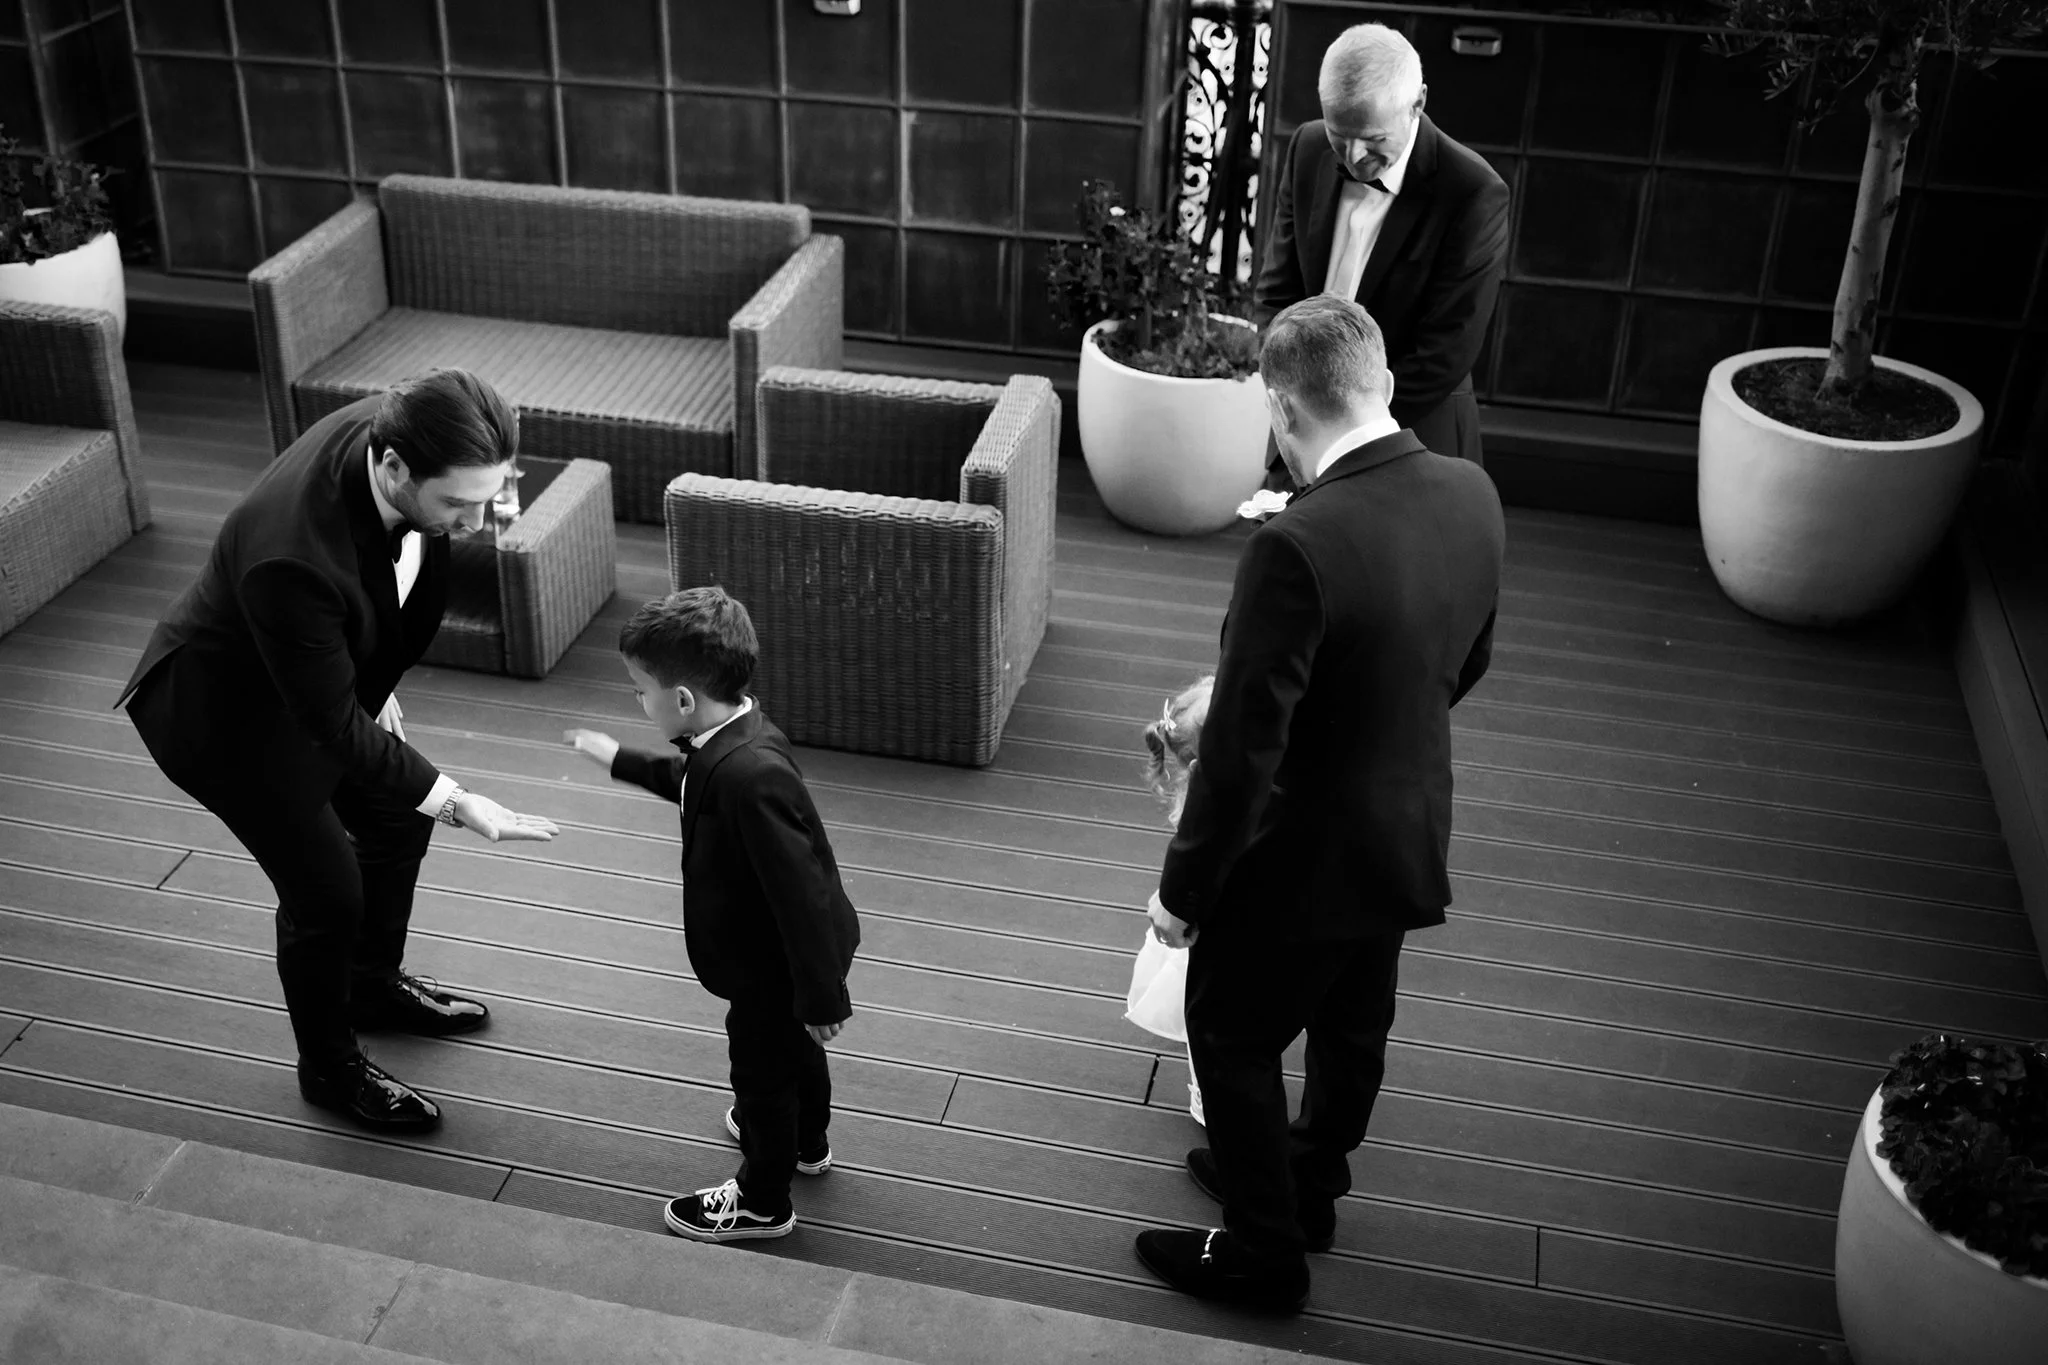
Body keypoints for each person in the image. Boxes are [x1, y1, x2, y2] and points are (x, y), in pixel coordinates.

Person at [1133, 296, 1504, 1312]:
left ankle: (1262, 1253)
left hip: (1301, 846)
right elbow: (1465, 661)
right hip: (1407, 824)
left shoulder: (1293, 547)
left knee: (1232, 1032)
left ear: (1283, 413)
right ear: (1378, 383)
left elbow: (1244, 754)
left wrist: (1182, 894)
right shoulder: (1472, 492)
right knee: (1351, 1021)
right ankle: (1307, 1186)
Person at [116, 370, 561, 1135]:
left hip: (312, 675)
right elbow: (331, 724)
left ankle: (369, 986)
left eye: (488, 495)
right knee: (327, 893)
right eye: (459, 504)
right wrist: (459, 799)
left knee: (395, 816)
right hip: (227, 718)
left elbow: (370, 623)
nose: (479, 520)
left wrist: (363, 679)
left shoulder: (403, 427)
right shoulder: (291, 554)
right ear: (393, 470)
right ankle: (328, 1066)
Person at [565, 587, 860, 1243]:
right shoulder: (734, 736)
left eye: (641, 690)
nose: (638, 701)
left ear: (683, 700)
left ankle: (761, 1198)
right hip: (787, 957)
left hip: (778, 962)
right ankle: (806, 1139)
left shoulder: (750, 776)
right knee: (796, 1051)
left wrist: (820, 994)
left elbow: (799, 891)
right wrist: (617, 758)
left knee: (759, 1072)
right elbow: (688, 780)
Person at [1254, 22, 1510, 477]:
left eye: (1374, 140)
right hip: (1302, 430)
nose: (1352, 156)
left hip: (1413, 440)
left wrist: (1342, 434)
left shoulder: (1473, 193)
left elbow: (1443, 355)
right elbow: (1277, 293)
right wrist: (1291, 402)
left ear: (1418, 104)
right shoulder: (1308, 147)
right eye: (1340, 134)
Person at [1127, 676, 1215, 1126]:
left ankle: (1207, 1094)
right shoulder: (1217, 809)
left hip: (1201, 924)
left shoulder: (1196, 808)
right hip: (1214, 929)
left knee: (1211, 1023)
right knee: (1214, 1022)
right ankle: (1208, 1097)